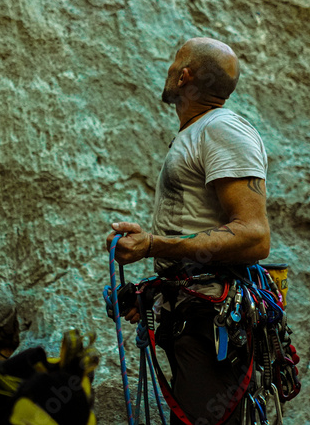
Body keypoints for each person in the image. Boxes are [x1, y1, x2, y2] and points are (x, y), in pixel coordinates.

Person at [106, 37, 270, 424]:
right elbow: (200, 230)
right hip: (192, 314)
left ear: (184, 76)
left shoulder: (222, 129)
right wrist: (156, 275)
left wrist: (152, 245)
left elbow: (254, 235)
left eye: (173, 61)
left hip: (211, 323)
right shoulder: (198, 132)